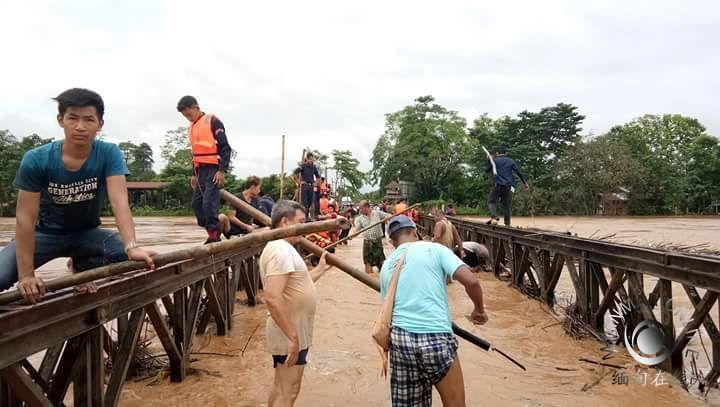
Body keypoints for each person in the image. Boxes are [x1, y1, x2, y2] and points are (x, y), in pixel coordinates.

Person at [0, 88, 156, 304]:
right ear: (60, 120)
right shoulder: (36, 159)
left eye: (89, 120)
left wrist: (131, 246)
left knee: (135, 258)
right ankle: (79, 264)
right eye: (73, 118)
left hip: (87, 234)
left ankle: (82, 265)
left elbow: (119, 202)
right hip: (45, 235)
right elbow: (25, 218)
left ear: (100, 124)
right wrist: (26, 275)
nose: (80, 127)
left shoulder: (108, 153)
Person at [380, 216, 488, 406]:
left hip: (400, 340)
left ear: (391, 241)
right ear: (415, 232)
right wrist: (479, 311)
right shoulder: (434, 249)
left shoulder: (386, 266)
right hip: (435, 337)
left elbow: (387, 313)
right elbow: (471, 281)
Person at [259, 200, 333, 406]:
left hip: (293, 330)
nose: (305, 226)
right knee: (289, 391)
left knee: (282, 386)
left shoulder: (284, 248)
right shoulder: (280, 249)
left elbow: (294, 287)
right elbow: (272, 297)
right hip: (289, 332)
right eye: (301, 222)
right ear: (285, 222)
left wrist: (320, 270)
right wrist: (292, 336)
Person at [177, 95, 232, 243]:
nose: (188, 118)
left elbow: (225, 148)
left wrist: (221, 171)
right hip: (200, 171)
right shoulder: (192, 127)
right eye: (185, 116)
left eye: (189, 114)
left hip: (214, 170)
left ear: (196, 107)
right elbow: (194, 153)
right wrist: (193, 174)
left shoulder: (213, 121)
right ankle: (216, 227)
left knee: (208, 203)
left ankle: (214, 236)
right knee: (196, 204)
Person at [486, 146, 528, 226]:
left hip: (498, 185)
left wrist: (489, 160)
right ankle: (507, 224)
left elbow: (487, 170)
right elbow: (518, 172)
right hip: (509, 186)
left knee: (491, 202)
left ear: (497, 153)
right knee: (506, 205)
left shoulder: (495, 160)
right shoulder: (511, 161)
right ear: (506, 153)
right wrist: (524, 183)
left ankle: (494, 218)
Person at [354, 200, 390, 274]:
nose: (360, 210)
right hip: (367, 242)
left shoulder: (377, 213)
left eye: (361, 208)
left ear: (367, 207)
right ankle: (369, 280)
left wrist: (387, 218)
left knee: (381, 264)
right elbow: (357, 230)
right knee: (367, 263)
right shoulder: (360, 219)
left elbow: (389, 215)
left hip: (377, 242)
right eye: (359, 209)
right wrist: (352, 236)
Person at [299, 154, 320, 220]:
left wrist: (316, 183)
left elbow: (318, 176)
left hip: (311, 186)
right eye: (310, 159)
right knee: (304, 203)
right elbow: (295, 173)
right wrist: (299, 182)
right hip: (304, 186)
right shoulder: (303, 166)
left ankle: (309, 217)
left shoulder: (313, 167)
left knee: (311, 202)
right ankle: (304, 217)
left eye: (312, 159)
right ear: (307, 159)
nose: (312, 160)